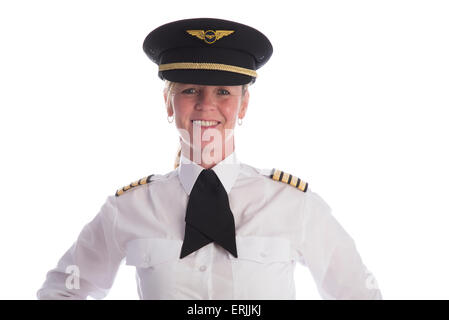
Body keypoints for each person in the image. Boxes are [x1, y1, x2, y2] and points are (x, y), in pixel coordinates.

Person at [37, 18, 382, 300]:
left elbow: (360, 294)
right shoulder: (128, 208)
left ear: (244, 104)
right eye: (189, 90)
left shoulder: (293, 205)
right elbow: (60, 292)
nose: (206, 105)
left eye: (223, 92)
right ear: (169, 103)